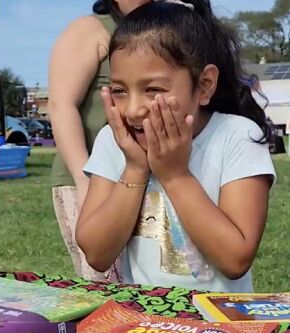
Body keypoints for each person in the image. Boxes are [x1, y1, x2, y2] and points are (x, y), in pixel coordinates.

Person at [75, 0, 275, 293]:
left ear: (204, 85)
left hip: (221, 327)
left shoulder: (236, 136)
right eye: (119, 91)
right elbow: (96, 254)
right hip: (145, 323)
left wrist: (174, 175)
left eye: (153, 89)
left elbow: (235, 260)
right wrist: (135, 168)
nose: (132, 110)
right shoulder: (113, 141)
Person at [48, 0, 151, 283]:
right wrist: (84, 180)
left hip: (152, 178)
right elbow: (61, 105)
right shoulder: (91, 29)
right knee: (107, 285)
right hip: (94, 177)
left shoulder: (167, 25)